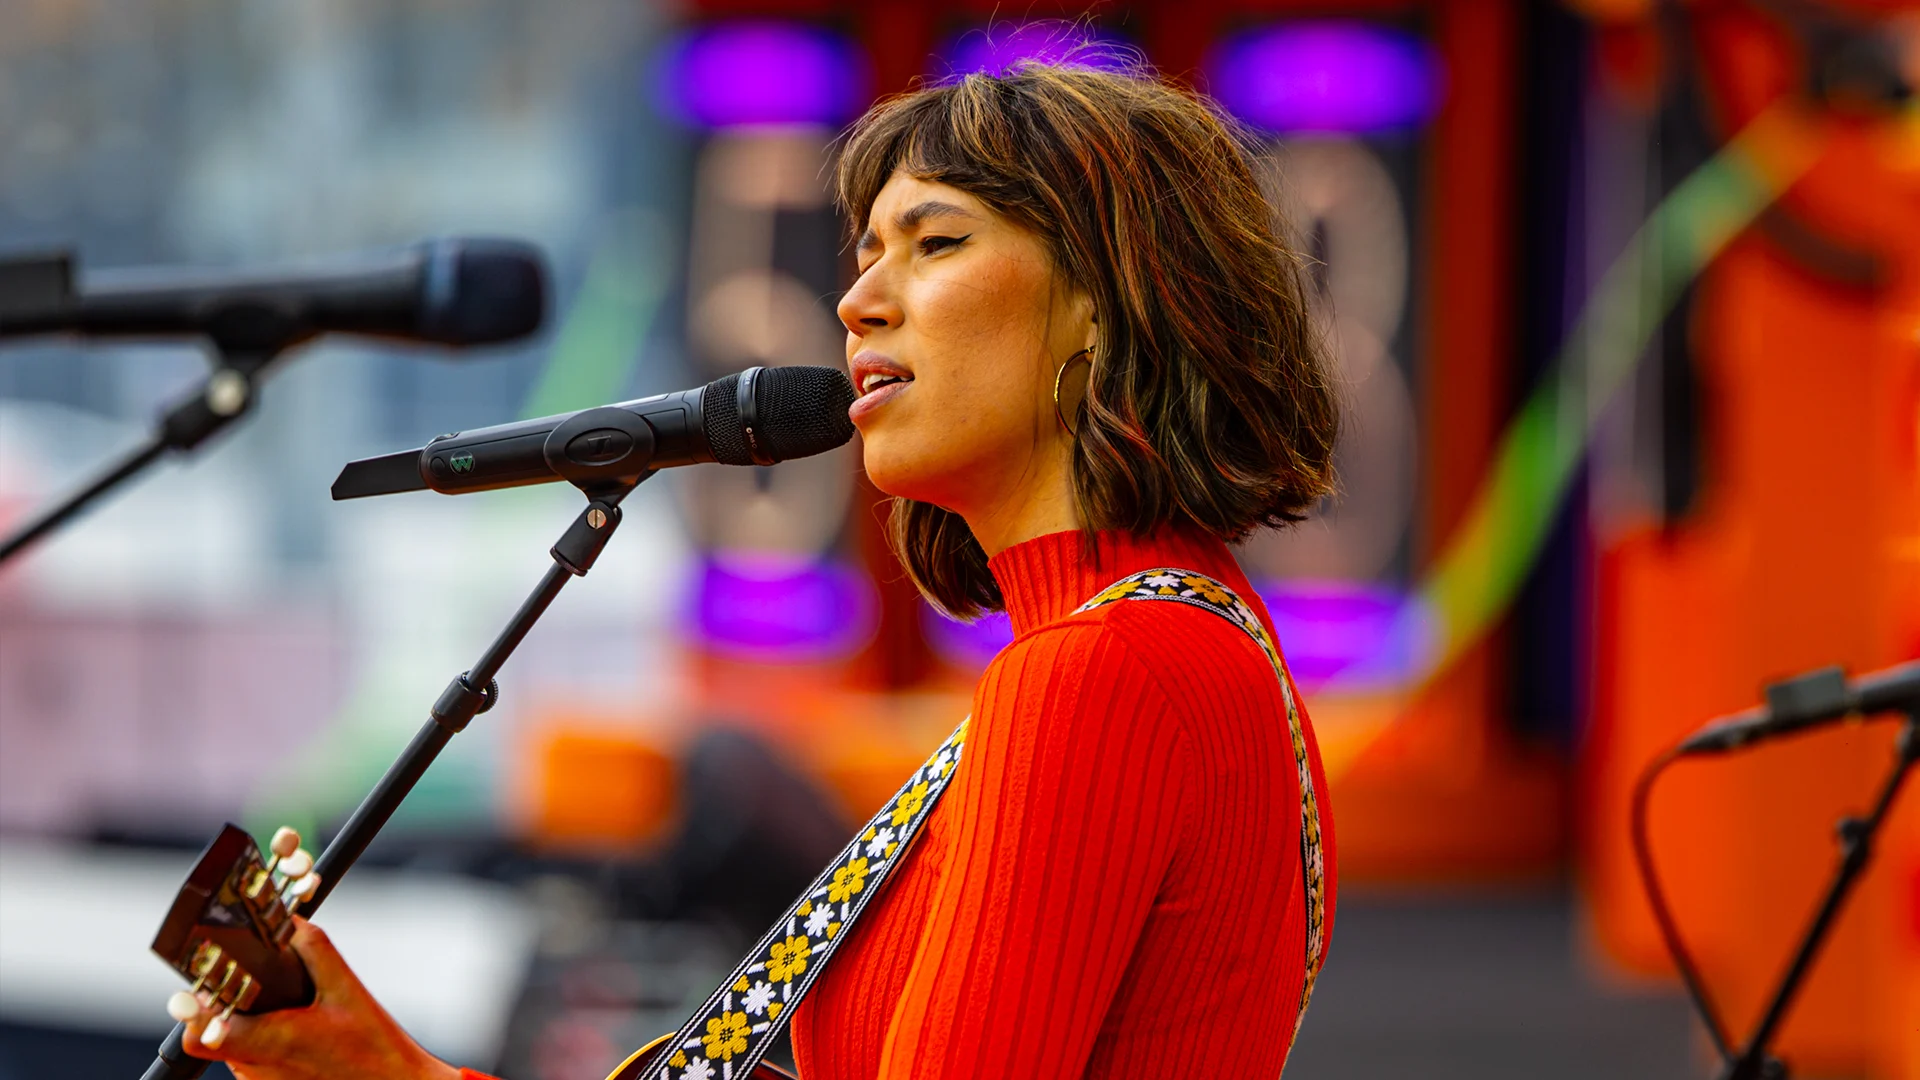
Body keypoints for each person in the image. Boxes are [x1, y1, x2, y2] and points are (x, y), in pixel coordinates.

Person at [170, 59, 1342, 1080]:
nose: (856, 300)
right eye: (865, 252)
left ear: (1103, 302)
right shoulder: (1201, 654)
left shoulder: (1099, 679)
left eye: (934, 244)